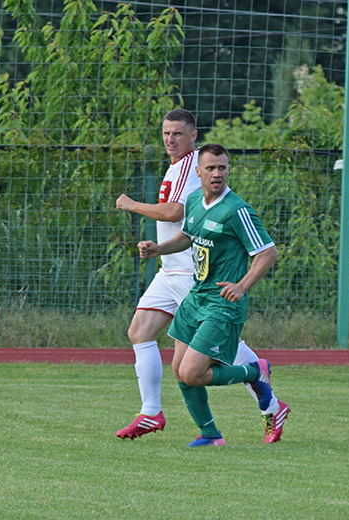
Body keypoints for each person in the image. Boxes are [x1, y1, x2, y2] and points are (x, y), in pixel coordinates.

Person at [115, 110, 289, 444]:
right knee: (145, 336)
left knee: (206, 362)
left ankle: (259, 381)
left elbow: (174, 213)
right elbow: (187, 230)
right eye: (166, 133)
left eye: (178, 134)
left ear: (193, 138)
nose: (170, 139)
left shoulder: (230, 204)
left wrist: (132, 204)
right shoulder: (191, 187)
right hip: (178, 275)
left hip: (196, 279)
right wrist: (159, 249)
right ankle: (171, 419)